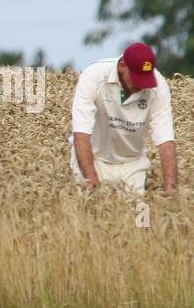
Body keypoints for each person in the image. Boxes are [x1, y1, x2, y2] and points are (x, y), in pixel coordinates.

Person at [70, 42, 177, 194]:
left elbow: (165, 140)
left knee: (132, 213)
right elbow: (81, 134)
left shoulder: (158, 87)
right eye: (137, 78)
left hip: (132, 164)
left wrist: (170, 188)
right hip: (94, 157)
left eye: (146, 79)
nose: (142, 86)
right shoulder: (93, 76)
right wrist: (90, 178)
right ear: (122, 66)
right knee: (89, 211)